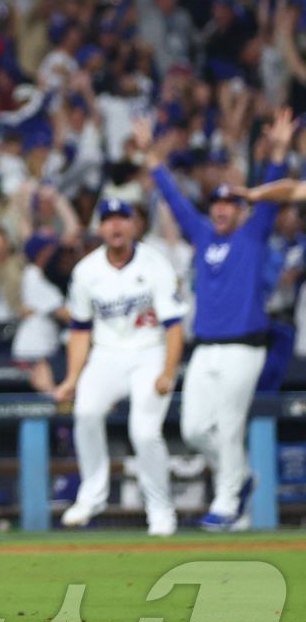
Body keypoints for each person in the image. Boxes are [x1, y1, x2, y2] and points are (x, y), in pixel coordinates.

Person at [145, 111, 290, 530]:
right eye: (218, 204)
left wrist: (277, 153)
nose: (223, 210)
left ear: (243, 210)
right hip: (205, 347)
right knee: (192, 430)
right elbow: (174, 200)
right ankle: (241, 479)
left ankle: (227, 503)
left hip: (245, 347)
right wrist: (152, 158)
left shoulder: (253, 234)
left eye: (231, 204)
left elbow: (272, 201)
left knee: (228, 427)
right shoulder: (204, 234)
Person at [51, 198, 187, 536]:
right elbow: (80, 330)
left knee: (144, 431)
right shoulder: (86, 271)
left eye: (121, 220)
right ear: (100, 228)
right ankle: (92, 497)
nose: (115, 226)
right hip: (107, 353)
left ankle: (160, 511)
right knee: (85, 412)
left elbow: (174, 325)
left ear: (134, 225)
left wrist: (168, 371)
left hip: (149, 350)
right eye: (108, 220)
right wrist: (71, 377)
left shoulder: (156, 263)